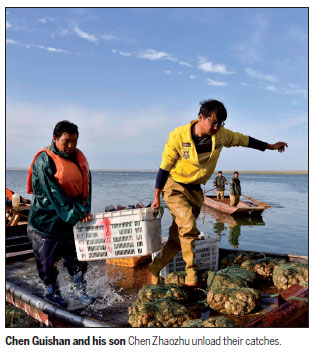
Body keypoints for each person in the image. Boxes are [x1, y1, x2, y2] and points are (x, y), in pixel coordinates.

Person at [149, 99, 288, 287]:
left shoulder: (221, 136)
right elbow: (164, 167)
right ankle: (192, 273)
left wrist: (270, 146)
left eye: (220, 123)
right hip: (175, 186)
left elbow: (244, 140)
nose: (216, 127)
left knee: (177, 239)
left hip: (196, 190)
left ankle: (155, 268)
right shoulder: (178, 136)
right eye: (213, 122)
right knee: (188, 226)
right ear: (201, 117)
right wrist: (156, 196)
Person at [26, 120, 95, 308]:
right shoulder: (44, 161)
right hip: (45, 223)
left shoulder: (77, 158)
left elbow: (86, 188)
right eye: (66, 141)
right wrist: (79, 213)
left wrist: (85, 210)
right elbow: (55, 195)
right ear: (55, 138)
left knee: (77, 258)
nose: (71, 146)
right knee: (47, 263)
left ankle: (80, 291)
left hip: (69, 222)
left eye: (75, 140)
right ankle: (51, 292)